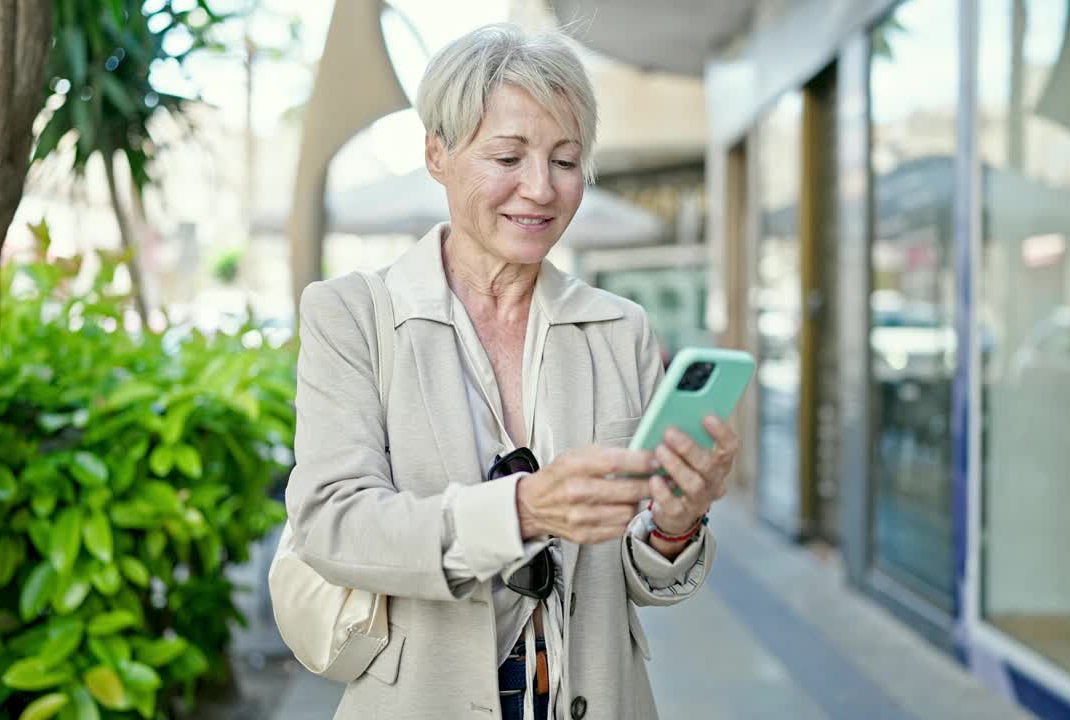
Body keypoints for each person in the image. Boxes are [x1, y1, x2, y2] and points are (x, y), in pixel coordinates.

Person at [286, 23, 738, 720]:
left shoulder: (621, 331)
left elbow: (641, 577)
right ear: (437, 153)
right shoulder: (352, 316)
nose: (541, 189)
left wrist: (675, 524)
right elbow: (333, 524)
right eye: (507, 156)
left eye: (565, 160)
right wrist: (522, 511)